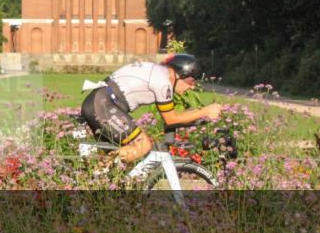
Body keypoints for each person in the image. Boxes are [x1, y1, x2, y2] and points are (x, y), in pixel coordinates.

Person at [80, 54, 221, 162]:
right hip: (103, 104)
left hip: (101, 101)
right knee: (143, 145)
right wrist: (205, 111)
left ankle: (99, 182)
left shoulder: (159, 73)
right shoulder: (163, 82)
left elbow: (171, 116)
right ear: (177, 74)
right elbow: (171, 119)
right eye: (190, 81)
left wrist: (196, 115)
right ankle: (99, 179)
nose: (192, 86)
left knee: (122, 154)